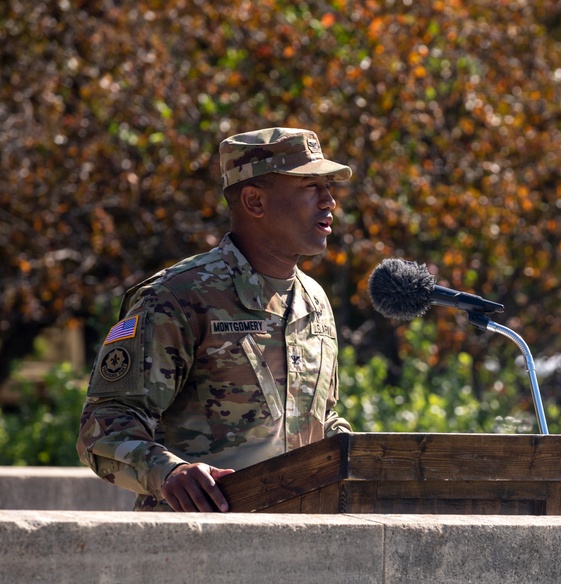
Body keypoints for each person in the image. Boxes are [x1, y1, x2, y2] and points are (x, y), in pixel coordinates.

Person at [76, 127, 353, 512]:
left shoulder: (316, 301)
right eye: (310, 186)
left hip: (301, 547)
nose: (330, 201)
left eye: (328, 186)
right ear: (254, 201)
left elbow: (321, 419)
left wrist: (366, 456)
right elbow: (102, 428)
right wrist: (171, 473)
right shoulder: (176, 296)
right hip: (195, 547)